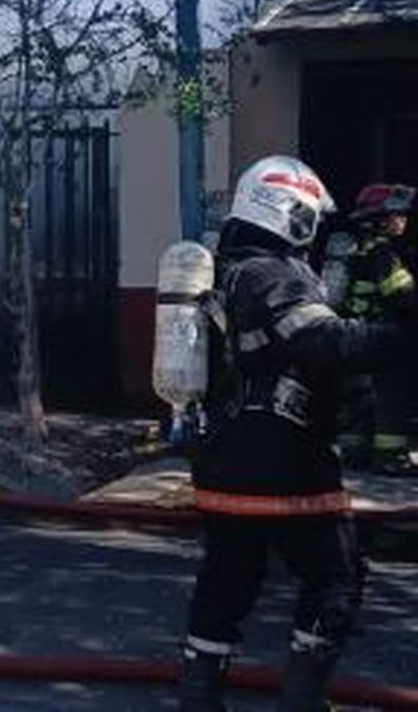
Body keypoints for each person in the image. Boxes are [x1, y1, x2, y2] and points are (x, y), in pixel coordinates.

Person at [177, 156, 415, 711]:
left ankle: (200, 697)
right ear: (289, 212)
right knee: (336, 580)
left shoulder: (229, 269)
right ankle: (304, 700)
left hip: (225, 464)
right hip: (283, 466)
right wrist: (396, 338)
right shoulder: (269, 275)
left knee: (227, 583)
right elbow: (325, 344)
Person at [335, 183, 416, 474]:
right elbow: (402, 293)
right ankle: (390, 457)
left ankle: (356, 453)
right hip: (380, 337)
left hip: (354, 335)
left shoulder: (356, 250)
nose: (402, 220)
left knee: (362, 397)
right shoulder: (382, 254)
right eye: (396, 214)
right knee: (392, 393)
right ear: (378, 219)